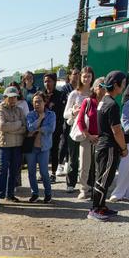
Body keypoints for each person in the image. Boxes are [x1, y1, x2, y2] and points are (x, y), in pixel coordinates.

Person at [89, 71, 127, 220]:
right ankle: (95, 208)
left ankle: (101, 206)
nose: (124, 87)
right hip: (109, 146)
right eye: (122, 84)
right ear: (116, 85)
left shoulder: (103, 102)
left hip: (103, 145)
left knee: (103, 176)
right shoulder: (112, 104)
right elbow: (117, 130)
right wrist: (124, 148)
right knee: (103, 178)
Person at [0, 86, 26, 207]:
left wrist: (12, 128)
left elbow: (25, 127)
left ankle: (10, 194)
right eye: (10, 97)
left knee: (14, 170)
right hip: (4, 144)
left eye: (15, 97)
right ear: (5, 98)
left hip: (17, 144)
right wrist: (17, 125)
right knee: (2, 170)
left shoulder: (20, 110)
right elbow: (2, 126)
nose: (13, 100)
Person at [64, 66, 94, 194]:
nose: (86, 79)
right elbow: (65, 114)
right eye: (84, 76)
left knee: (89, 159)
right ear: (80, 78)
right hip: (75, 129)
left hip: (90, 130)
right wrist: (73, 112)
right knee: (73, 157)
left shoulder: (94, 93)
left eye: (89, 76)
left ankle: (88, 184)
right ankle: (71, 183)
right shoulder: (74, 94)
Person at [74, 77, 104, 200]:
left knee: (99, 167)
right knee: (84, 166)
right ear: (96, 88)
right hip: (86, 138)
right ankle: (83, 189)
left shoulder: (107, 102)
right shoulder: (88, 101)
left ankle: (97, 190)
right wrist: (88, 135)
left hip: (101, 139)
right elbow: (80, 120)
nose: (104, 88)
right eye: (102, 86)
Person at [24, 91, 56, 203]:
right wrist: (40, 119)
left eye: (39, 101)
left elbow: (50, 128)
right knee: (31, 172)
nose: (37, 104)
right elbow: (30, 128)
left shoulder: (51, 115)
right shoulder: (30, 115)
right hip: (31, 148)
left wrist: (38, 129)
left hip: (44, 148)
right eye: (34, 102)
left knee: (44, 172)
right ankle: (35, 193)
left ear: (44, 102)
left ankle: (48, 194)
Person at [43, 73, 67, 182]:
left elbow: (62, 112)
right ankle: (43, 173)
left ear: (54, 82)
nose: (47, 83)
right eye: (45, 81)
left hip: (56, 128)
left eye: (49, 81)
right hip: (43, 128)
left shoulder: (60, 95)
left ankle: (53, 173)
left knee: (54, 151)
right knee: (43, 151)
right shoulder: (41, 95)